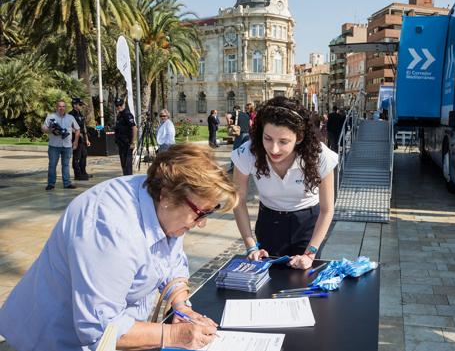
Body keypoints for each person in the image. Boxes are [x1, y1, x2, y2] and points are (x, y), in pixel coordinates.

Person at [0, 144, 238, 351]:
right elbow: (99, 330)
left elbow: (172, 263)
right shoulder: (109, 228)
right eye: (201, 213)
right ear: (166, 195)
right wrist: (177, 335)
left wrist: (182, 308)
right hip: (51, 342)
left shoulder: (165, 206)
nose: (202, 223)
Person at [231, 97, 338, 270]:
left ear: (299, 137)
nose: (273, 149)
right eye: (268, 138)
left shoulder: (320, 156)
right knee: (269, 277)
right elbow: (238, 201)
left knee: (305, 276)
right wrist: (251, 246)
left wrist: (310, 253)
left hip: (308, 222)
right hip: (269, 221)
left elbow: (327, 209)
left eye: (283, 142)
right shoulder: (248, 152)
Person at [42, 100, 80, 190]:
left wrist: (76, 141)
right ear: (56, 107)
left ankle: (67, 184)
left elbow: (77, 129)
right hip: (54, 146)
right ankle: (51, 184)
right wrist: (51, 130)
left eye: (63, 106)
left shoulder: (70, 117)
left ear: (65, 107)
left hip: (67, 146)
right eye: (60, 106)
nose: (61, 108)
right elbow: (43, 128)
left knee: (66, 165)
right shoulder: (51, 117)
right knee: (52, 165)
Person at [69, 97, 91, 181]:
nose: (81, 106)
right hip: (75, 138)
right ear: (74, 105)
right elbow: (69, 127)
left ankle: (83, 172)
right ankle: (77, 174)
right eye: (80, 104)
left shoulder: (80, 114)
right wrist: (77, 132)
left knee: (84, 155)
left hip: (82, 139)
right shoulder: (70, 115)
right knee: (76, 156)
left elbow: (84, 126)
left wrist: (87, 138)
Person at [114, 98, 138, 176]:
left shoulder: (127, 114)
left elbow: (134, 128)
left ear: (124, 104)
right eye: (117, 106)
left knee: (127, 164)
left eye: (120, 105)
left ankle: (127, 178)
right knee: (123, 163)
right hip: (121, 143)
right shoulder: (120, 115)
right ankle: (125, 177)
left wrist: (133, 142)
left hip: (127, 143)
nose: (119, 107)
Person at [228, 105, 250, 172]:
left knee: (235, 151)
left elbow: (227, 116)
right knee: (243, 151)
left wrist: (229, 124)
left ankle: (232, 168)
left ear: (235, 109)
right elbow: (251, 123)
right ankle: (243, 168)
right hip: (247, 134)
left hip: (240, 134)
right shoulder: (246, 115)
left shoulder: (236, 112)